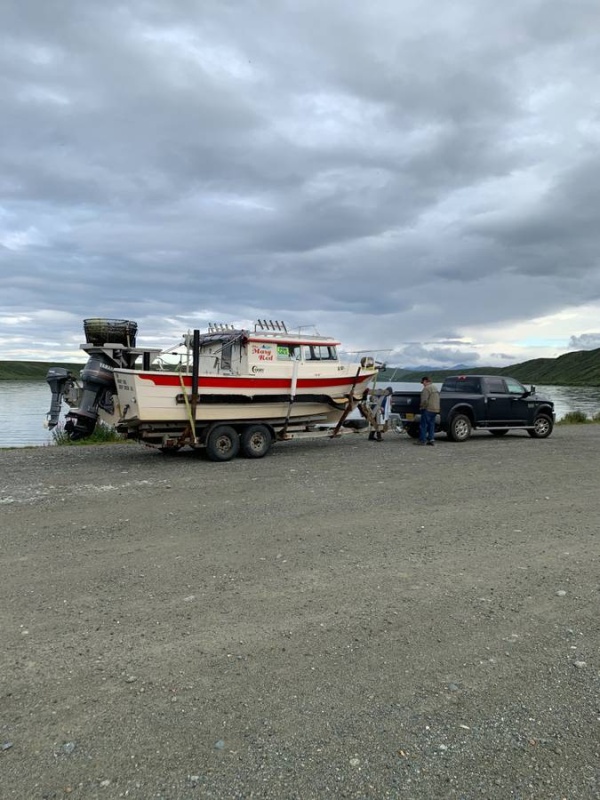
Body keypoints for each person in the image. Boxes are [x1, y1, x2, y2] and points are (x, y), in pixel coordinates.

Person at [416, 377, 440, 446]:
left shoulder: (426, 389)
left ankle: (422, 440)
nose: (423, 384)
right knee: (431, 424)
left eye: (423, 382)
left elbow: (424, 400)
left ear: (426, 381)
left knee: (423, 425)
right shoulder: (435, 388)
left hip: (428, 409)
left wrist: (421, 407)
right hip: (435, 409)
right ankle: (431, 439)